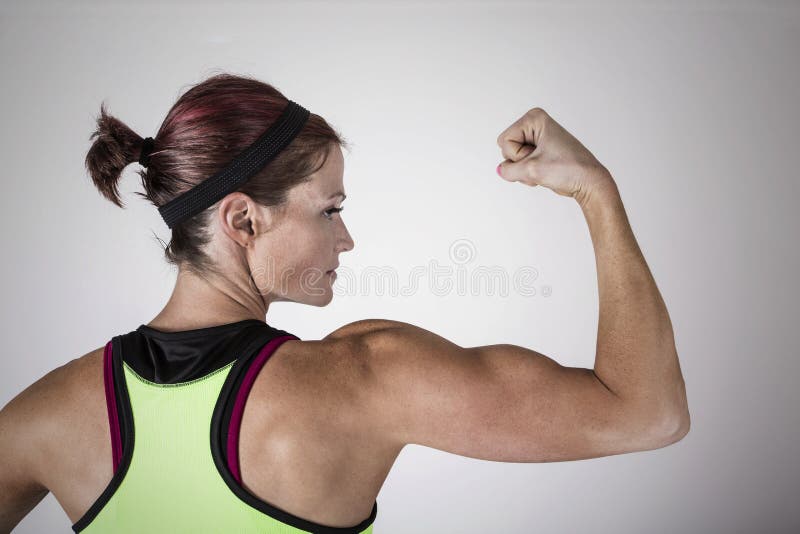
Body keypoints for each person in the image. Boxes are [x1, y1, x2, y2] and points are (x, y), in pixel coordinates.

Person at [0, 73, 690, 533]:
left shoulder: (46, 414)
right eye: (329, 210)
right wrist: (595, 190)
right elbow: (645, 415)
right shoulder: (366, 377)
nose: (347, 238)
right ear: (242, 221)